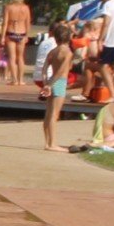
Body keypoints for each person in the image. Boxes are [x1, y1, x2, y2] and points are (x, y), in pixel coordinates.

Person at [41, 22, 75, 151]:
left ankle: (47, 142)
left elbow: (44, 69)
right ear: (69, 37)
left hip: (51, 80)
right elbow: (62, 70)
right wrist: (50, 85)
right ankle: (53, 144)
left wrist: (46, 84)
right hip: (59, 82)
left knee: (48, 114)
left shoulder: (52, 51)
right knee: (54, 115)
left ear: (55, 38)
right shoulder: (68, 52)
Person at [2, 0, 32, 85]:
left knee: (12, 57)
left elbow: (5, 23)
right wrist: (27, 35)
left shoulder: (9, 7)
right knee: (20, 57)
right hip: (22, 33)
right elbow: (28, 23)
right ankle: (21, 80)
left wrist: (3, 36)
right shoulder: (26, 8)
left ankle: (14, 80)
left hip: (11, 33)